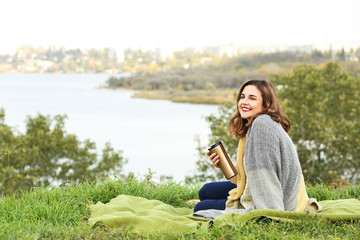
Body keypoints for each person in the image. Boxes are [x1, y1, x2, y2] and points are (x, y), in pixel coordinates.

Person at [193, 79, 321, 219]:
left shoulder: (262, 125)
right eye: (242, 97)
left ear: (266, 104)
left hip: (280, 196)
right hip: (255, 186)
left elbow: (266, 179)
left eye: (252, 98)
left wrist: (268, 211)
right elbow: (246, 177)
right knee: (205, 191)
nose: (244, 102)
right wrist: (223, 165)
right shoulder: (252, 126)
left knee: (200, 207)